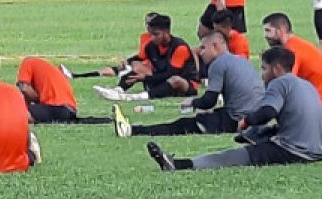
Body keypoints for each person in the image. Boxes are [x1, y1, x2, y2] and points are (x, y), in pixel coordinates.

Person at [145, 46, 322, 172]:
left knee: (237, 156)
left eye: (264, 69)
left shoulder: (279, 83)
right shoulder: (305, 84)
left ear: (277, 68)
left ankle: (178, 164)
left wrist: (247, 121)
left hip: (296, 151)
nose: (262, 75)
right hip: (317, 151)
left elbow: (267, 112)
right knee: (263, 136)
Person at [112, 30, 263, 137]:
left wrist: (193, 102)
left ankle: (131, 130)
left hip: (236, 120)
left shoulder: (218, 64)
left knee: (182, 125)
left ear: (215, 46)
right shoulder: (240, 61)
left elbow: (209, 101)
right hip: (255, 118)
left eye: (203, 48)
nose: (200, 52)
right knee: (205, 116)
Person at [92, 14, 200, 101]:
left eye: (156, 34)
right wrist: (127, 62)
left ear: (166, 32)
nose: (152, 38)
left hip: (184, 85)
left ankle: (139, 97)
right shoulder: (150, 46)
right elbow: (138, 59)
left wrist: (145, 78)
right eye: (150, 34)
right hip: (160, 79)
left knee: (176, 80)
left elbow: (171, 74)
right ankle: (118, 90)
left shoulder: (179, 47)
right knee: (137, 66)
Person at [261, 12, 322, 111]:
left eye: (268, 31)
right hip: (319, 100)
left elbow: (288, 80)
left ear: (281, 30)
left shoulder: (292, 49)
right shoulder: (295, 44)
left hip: (319, 103)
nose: (266, 35)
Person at [59, 13, 156, 80]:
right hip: (140, 64)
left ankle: (120, 88)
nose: (147, 26)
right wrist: (128, 61)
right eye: (146, 23)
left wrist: (130, 62)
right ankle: (76, 76)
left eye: (150, 23)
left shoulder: (157, 39)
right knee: (108, 70)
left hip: (149, 68)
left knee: (121, 71)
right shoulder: (144, 37)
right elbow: (142, 55)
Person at [17, 56, 109, 124]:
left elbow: (24, 88)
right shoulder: (42, 68)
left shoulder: (27, 62)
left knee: (16, 114)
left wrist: (35, 100)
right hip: (67, 110)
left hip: (57, 107)